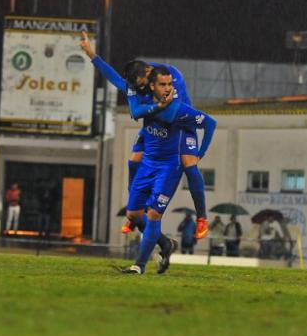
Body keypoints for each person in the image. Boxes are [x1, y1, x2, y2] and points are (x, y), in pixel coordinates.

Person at [80, 32, 210, 239]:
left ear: (149, 74)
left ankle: (202, 217)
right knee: (134, 160)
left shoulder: (169, 76)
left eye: (141, 84)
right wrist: (92, 55)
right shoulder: (140, 83)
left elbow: (175, 108)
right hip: (156, 125)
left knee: (189, 164)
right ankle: (134, 211)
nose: (139, 88)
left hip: (180, 125)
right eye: (138, 85)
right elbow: (115, 79)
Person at [122, 66, 217, 274]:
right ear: (151, 85)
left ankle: (139, 265)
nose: (167, 88)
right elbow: (133, 108)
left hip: (168, 168)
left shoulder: (179, 109)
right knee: (134, 213)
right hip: (148, 164)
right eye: (163, 84)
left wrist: (200, 152)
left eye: (170, 84)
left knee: (156, 213)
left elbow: (210, 122)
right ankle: (166, 244)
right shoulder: (144, 99)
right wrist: (93, 57)